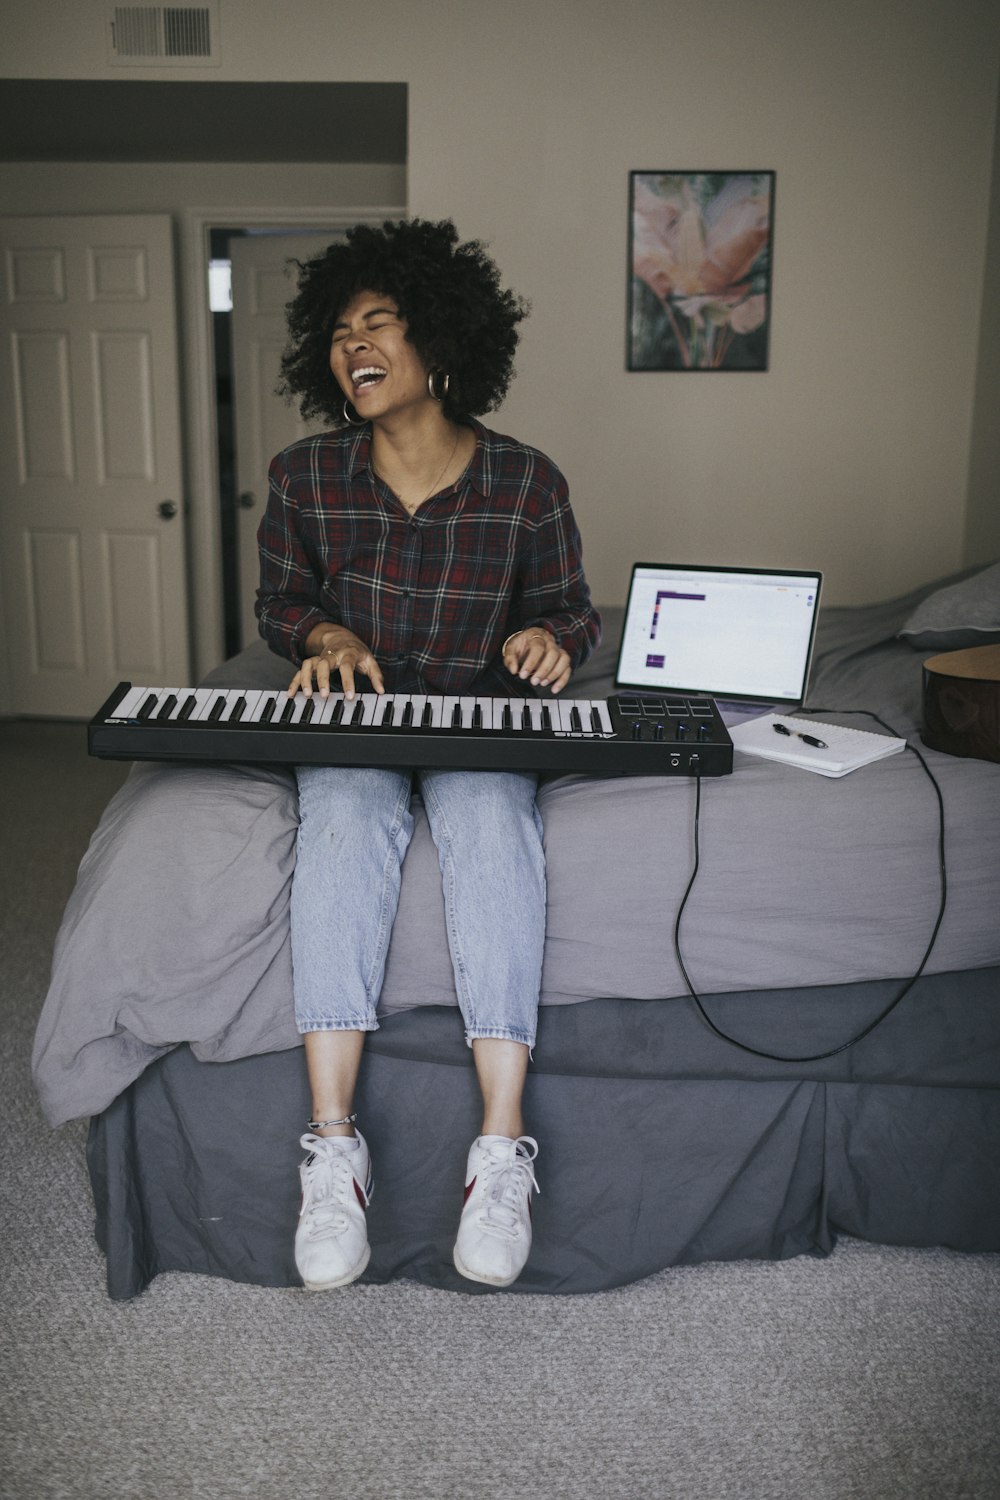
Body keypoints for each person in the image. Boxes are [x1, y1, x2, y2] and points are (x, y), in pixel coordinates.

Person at [256, 218, 600, 1291]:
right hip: (356, 721)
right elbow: (281, 604)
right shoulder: (305, 475)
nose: (350, 344)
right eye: (337, 329)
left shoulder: (526, 482)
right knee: (345, 820)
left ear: (438, 339)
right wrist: (325, 637)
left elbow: (572, 612)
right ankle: (333, 1152)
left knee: (495, 824)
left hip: (477, 720)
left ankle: (499, 1149)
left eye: (377, 322)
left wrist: (550, 641)